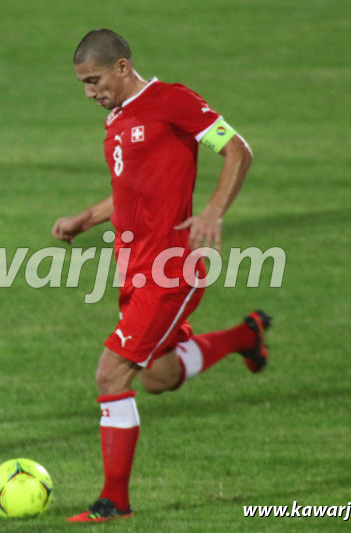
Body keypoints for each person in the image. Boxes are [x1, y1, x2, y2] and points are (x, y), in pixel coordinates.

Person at [53, 29, 272, 522]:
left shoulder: (172, 101)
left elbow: (238, 150)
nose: (89, 92)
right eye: (84, 84)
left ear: (122, 68)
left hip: (171, 266)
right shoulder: (118, 120)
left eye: (94, 80)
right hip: (135, 268)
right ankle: (245, 335)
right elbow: (132, 191)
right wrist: (85, 219)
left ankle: (115, 502)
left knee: (111, 375)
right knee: (157, 375)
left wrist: (214, 211)